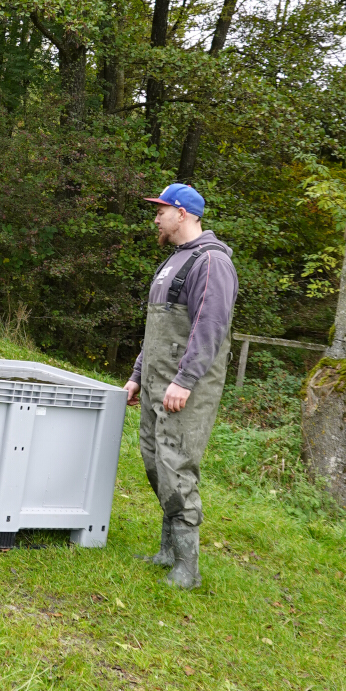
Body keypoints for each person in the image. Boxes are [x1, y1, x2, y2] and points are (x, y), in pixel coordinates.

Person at [124, 182, 238, 590]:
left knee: (176, 465)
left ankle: (188, 569)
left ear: (182, 214)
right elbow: (157, 331)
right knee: (155, 462)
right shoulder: (174, 261)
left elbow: (210, 327)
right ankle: (168, 552)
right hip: (157, 383)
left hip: (183, 388)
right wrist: (137, 375)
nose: (156, 219)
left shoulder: (211, 262)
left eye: (161, 212)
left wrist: (185, 380)